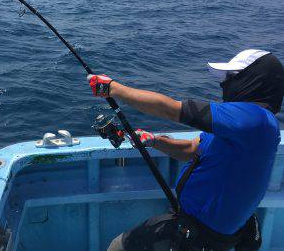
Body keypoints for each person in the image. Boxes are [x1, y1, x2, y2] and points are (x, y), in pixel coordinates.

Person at [87, 49, 284, 251]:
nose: (224, 83)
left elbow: (171, 109)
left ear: (255, 80)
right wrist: (154, 141)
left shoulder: (256, 119)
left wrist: (113, 88)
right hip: (193, 223)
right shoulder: (240, 126)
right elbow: (191, 149)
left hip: (203, 236)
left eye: (231, 77)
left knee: (117, 247)